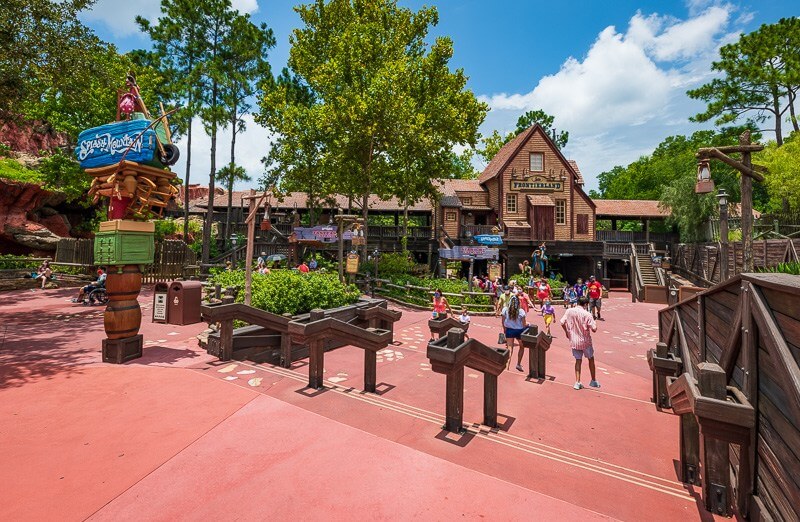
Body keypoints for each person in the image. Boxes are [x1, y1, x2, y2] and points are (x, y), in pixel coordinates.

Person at [560, 302, 601, 390]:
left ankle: (577, 382)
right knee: (591, 359)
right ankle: (593, 380)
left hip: (574, 340)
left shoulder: (569, 311)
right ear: (586, 304)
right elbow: (594, 329)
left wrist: (567, 332)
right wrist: (594, 322)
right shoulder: (587, 314)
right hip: (585, 341)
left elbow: (562, 322)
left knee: (578, 360)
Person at [501, 296, 528, 372]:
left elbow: (503, 321)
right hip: (519, 331)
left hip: (509, 330)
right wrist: (527, 325)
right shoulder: (521, 311)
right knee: (522, 346)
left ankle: (507, 367)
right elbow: (523, 324)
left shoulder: (505, 310)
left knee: (509, 348)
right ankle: (518, 364)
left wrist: (505, 329)